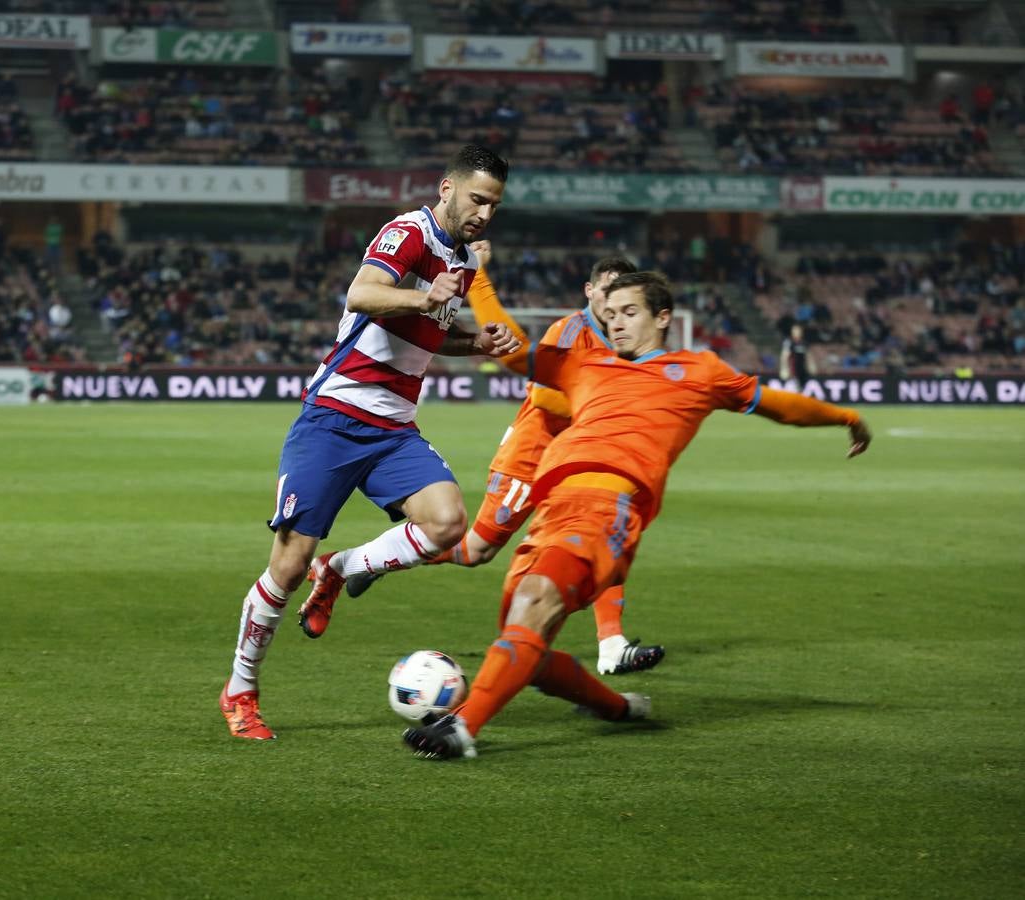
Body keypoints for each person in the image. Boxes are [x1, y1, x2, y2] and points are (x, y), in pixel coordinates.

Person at [403, 271, 871, 760]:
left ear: (663, 316)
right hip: (553, 508)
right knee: (527, 649)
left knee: (534, 605)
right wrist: (479, 281)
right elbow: (513, 350)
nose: (616, 324)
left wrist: (847, 417)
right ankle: (620, 709)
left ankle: (462, 729)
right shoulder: (586, 364)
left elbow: (777, 405)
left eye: (629, 313)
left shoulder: (699, 370)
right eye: (610, 315)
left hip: (607, 508)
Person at [221, 144, 521, 741]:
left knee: (447, 522)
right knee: (287, 562)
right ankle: (240, 690)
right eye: (477, 199)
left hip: (394, 429)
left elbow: (427, 334)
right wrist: (423, 294)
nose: (484, 213)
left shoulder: (463, 259)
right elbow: (361, 294)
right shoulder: (408, 232)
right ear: (447, 188)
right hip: (334, 416)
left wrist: (474, 346)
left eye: (494, 205)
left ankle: (342, 569)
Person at [327, 254, 665, 676]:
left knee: (605, 539)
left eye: (622, 295)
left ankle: (611, 645)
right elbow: (543, 396)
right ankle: (371, 560)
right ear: (590, 291)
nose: (613, 302)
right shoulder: (571, 331)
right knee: (476, 550)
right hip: (532, 458)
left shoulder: (623, 341)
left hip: (580, 463)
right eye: (606, 291)